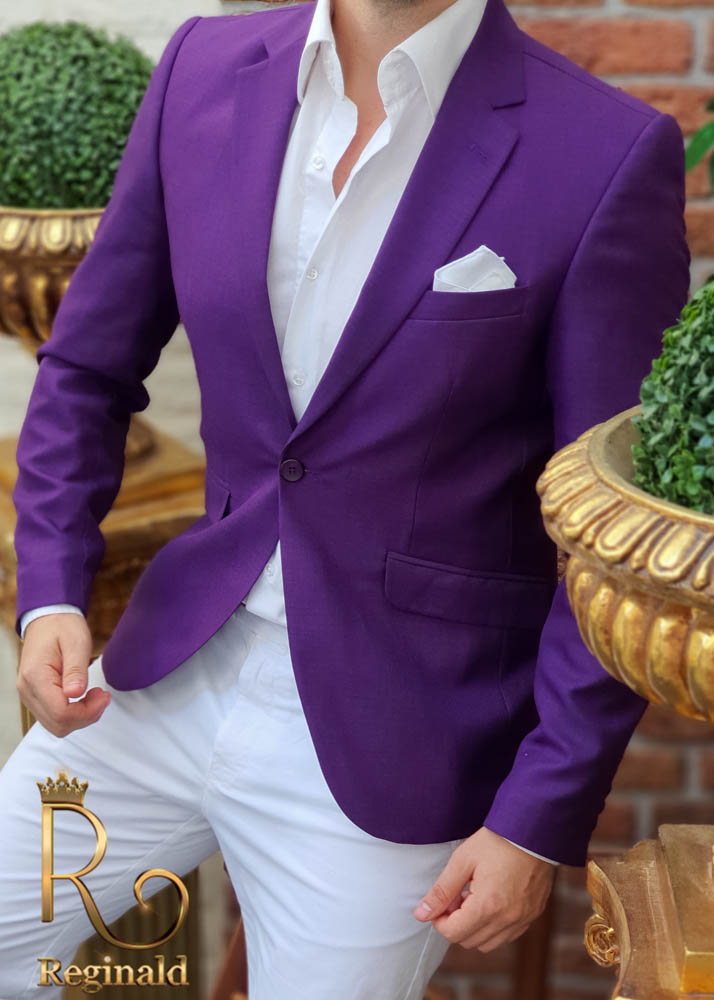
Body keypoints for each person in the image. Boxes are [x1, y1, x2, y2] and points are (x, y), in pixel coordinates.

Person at [0, 0, 691, 993]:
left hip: (399, 732)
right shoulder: (201, 69)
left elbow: (612, 527)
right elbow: (86, 368)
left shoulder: (603, 150)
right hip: (162, 677)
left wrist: (536, 816)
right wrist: (52, 592)